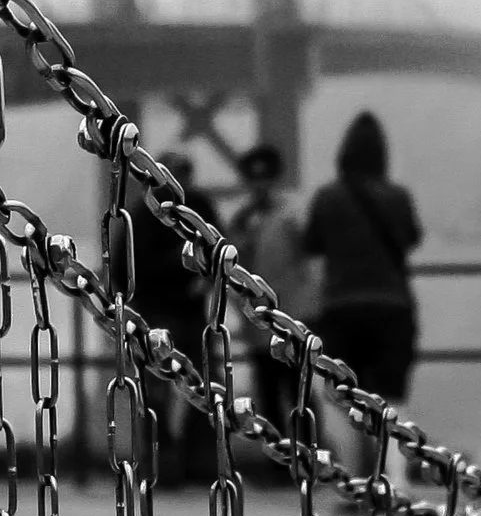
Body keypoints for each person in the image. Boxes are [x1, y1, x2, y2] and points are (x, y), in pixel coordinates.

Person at [301, 112, 421, 479]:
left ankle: (355, 473)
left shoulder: (328, 196)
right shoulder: (398, 195)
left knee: (339, 393)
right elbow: (412, 238)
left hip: (342, 305)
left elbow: (311, 243)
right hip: (393, 305)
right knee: (390, 396)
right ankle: (394, 478)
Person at [127, 150, 218, 486]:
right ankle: (176, 463)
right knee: (181, 388)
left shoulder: (149, 211)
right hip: (162, 307)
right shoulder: (152, 211)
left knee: (187, 387)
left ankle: (173, 463)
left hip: (168, 307)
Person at [225, 144, 313, 442]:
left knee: (299, 389)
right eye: (253, 178)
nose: (259, 184)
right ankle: (280, 460)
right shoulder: (241, 222)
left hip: (292, 317)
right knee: (269, 392)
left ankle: (309, 452)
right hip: (259, 321)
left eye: (264, 177)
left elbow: (307, 264)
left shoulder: (291, 217)